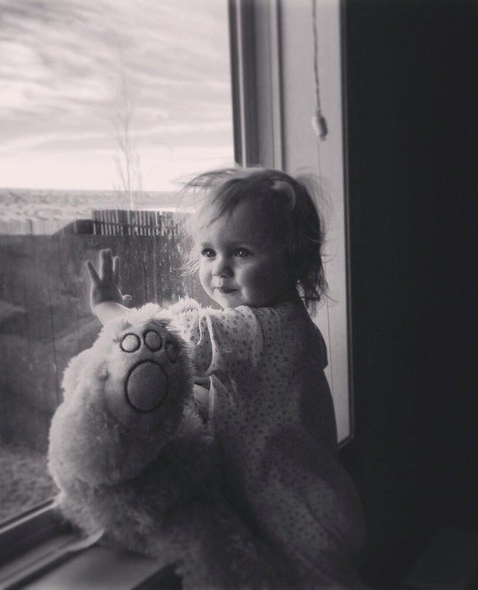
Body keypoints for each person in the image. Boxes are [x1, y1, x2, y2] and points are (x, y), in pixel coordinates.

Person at [87, 167, 367, 588]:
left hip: (293, 516)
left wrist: (108, 308)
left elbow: (163, 341)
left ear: (294, 261)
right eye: (208, 252)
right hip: (306, 498)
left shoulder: (256, 329)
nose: (219, 269)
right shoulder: (288, 321)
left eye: (241, 252)